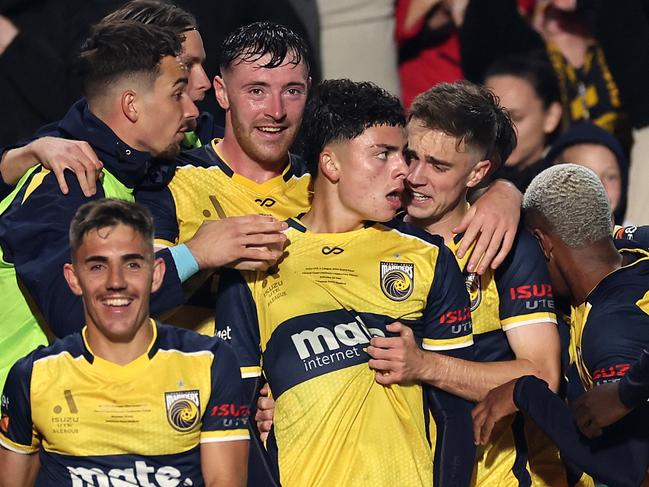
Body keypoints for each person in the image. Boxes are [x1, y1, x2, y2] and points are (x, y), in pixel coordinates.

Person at [216, 79, 476, 486]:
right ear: (330, 164)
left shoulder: (428, 257)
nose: (404, 170)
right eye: (383, 154)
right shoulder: (258, 259)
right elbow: (235, 422)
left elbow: (454, 414)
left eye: (403, 154)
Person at [0, 21, 286, 389]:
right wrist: (195, 254)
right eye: (177, 92)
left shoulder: (139, 171)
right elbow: (78, 314)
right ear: (132, 105)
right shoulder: (65, 181)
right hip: (21, 423)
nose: (192, 109)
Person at [365, 81, 585, 486]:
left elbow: (542, 375)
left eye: (439, 165)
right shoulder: (369, 230)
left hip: (503, 476)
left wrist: (425, 366)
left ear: (479, 171)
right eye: (410, 156)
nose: (415, 177)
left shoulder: (506, 247)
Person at [0, 199, 250, 486]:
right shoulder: (32, 375)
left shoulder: (210, 362)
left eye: (132, 264)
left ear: (156, 274)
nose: (115, 281)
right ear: (73, 278)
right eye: (97, 266)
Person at [472, 164, 649, 486]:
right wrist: (507, 191)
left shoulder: (611, 331)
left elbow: (625, 467)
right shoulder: (634, 246)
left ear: (542, 243)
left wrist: (525, 392)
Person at [0, 0, 218, 199]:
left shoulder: (206, 135)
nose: (205, 82)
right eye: (187, 65)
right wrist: (30, 153)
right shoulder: (69, 160)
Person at [484, 53, 563, 193]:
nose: (500, 131)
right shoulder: (471, 177)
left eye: (516, 117)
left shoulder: (564, 186)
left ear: (551, 117)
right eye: (492, 117)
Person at [546, 121, 628, 224]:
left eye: (611, 177)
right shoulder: (527, 237)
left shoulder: (639, 238)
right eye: (585, 176)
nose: (600, 188)